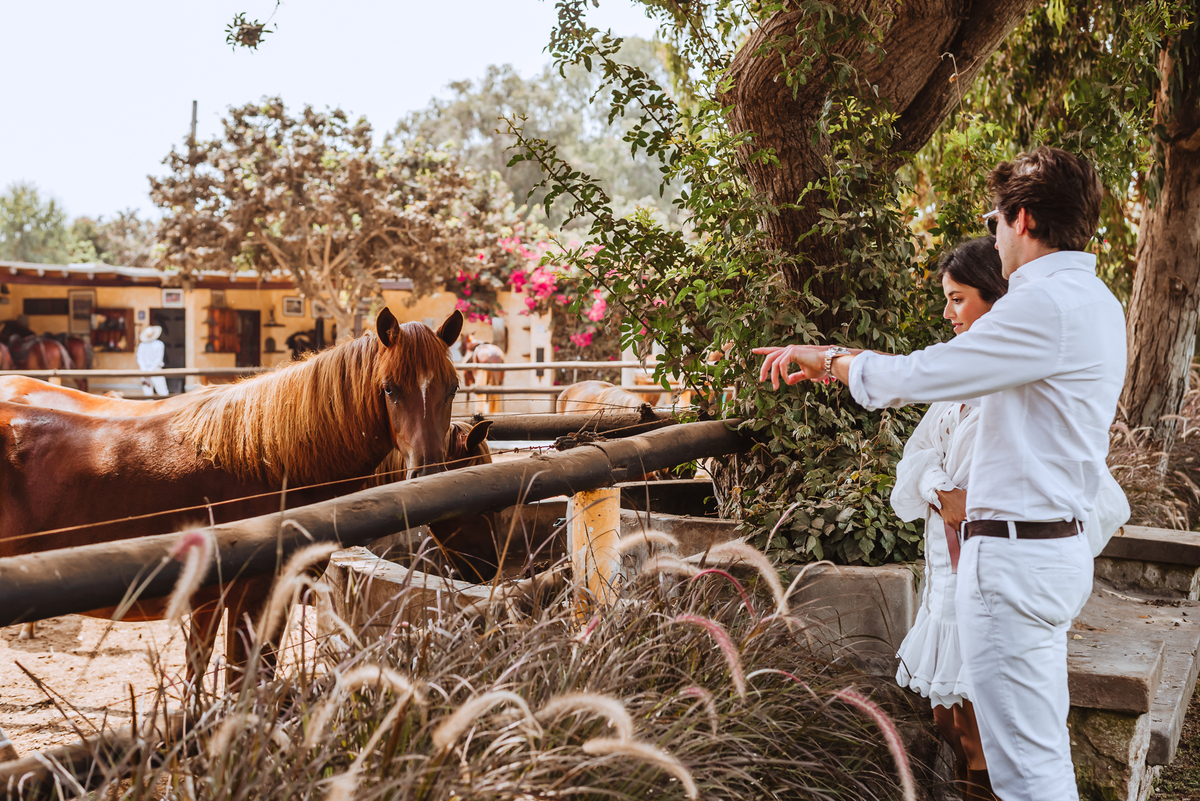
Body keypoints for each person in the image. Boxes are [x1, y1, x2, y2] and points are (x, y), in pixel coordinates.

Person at [755, 146, 1126, 800]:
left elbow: (928, 372)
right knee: (1039, 756)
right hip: (1049, 548)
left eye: (996, 221)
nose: (994, 235)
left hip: (1016, 557)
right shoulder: (1093, 299)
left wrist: (834, 360)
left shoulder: (1044, 304)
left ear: (1026, 219)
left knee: (1023, 770)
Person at [890, 237, 1006, 798]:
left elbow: (1000, 477)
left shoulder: (1005, 385)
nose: (946, 313)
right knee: (946, 720)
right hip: (942, 574)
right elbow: (914, 463)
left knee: (979, 722)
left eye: (957, 299)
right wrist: (938, 486)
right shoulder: (954, 389)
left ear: (994, 298)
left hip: (982, 573)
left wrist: (959, 492)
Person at [136, 324, 169, 397]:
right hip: (153, 370)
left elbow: (140, 359)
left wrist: (146, 372)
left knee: (161, 391)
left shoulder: (143, 345)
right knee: (158, 392)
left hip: (150, 370)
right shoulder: (158, 344)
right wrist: (147, 372)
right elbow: (141, 359)